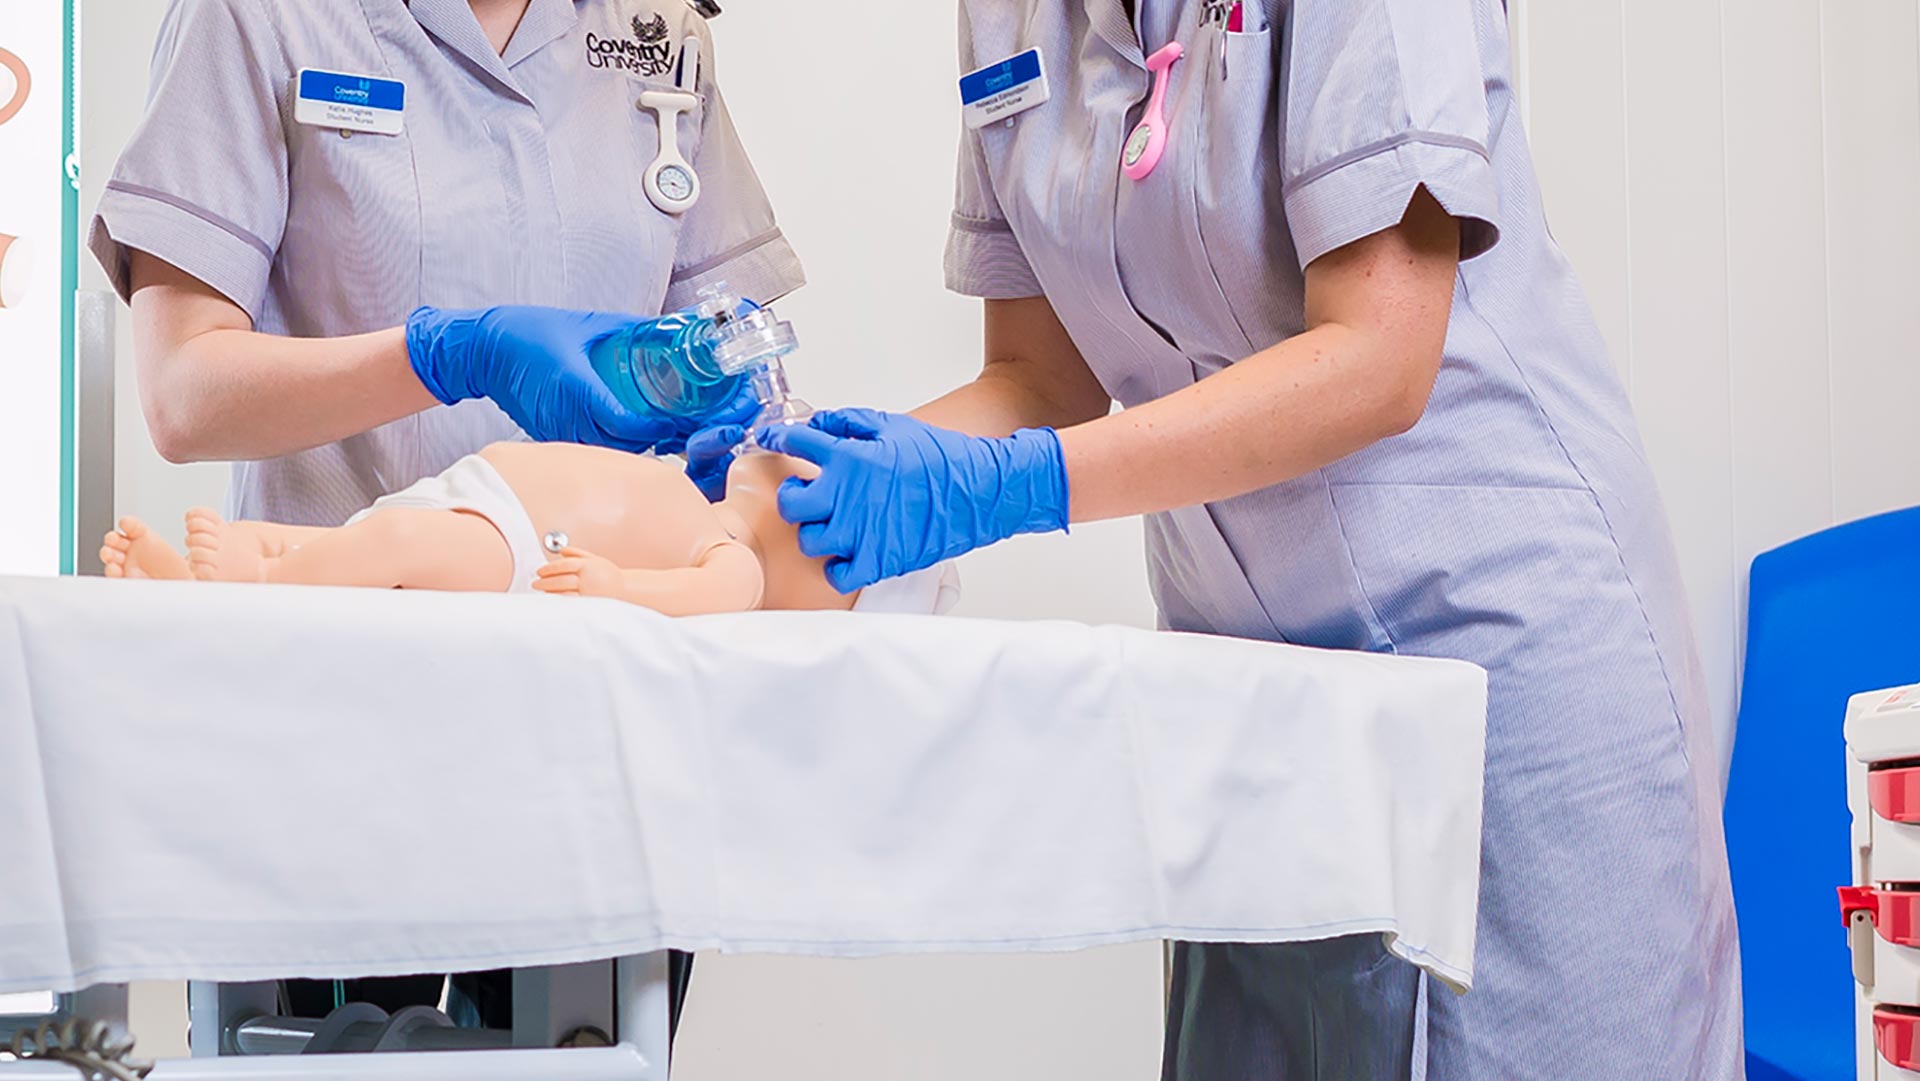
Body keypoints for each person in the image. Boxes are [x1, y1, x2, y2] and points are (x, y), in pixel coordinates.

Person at [730, 1, 1742, 1077]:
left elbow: (1378, 355)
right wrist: (808, 477)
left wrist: (1012, 485)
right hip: (1250, 683)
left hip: (1499, 653)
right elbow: (1042, 377)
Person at [89, 0, 804, 1031]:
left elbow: (744, 357)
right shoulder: (259, 17)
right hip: (350, 718)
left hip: (603, 726)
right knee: (350, 1049)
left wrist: (752, 429)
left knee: (594, 1045)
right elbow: (183, 394)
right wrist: (443, 353)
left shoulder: (656, 33)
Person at [97, 442, 956, 617]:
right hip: (473, 489)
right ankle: (247, 561)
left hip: (519, 547)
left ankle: (252, 593)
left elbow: (703, 594)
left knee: (392, 551)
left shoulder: (732, 562)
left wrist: (615, 584)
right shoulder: (699, 492)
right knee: (349, 539)